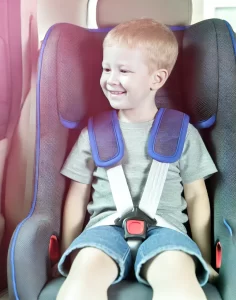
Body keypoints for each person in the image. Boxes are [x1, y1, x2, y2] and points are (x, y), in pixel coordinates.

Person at [55, 18, 218, 300]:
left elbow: (196, 198)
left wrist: (203, 255)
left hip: (166, 232)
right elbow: (77, 197)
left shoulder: (182, 133)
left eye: (124, 70)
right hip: (104, 229)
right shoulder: (93, 134)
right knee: (86, 268)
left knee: (177, 271)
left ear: (157, 78)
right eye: (106, 68)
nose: (110, 79)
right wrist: (71, 249)